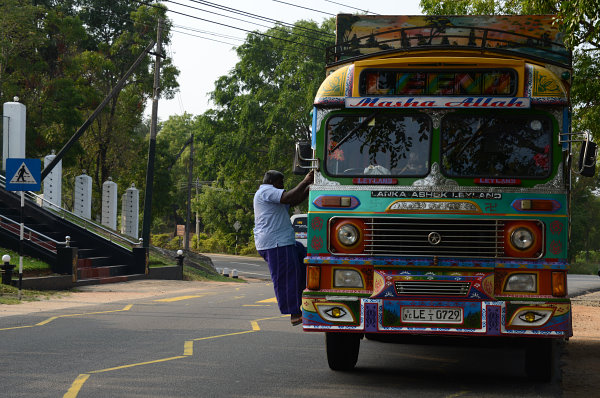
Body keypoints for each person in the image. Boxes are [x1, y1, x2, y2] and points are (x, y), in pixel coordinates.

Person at [253, 169, 314, 326]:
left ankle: (304, 296)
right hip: (276, 243)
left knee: (305, 259)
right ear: (273, 182)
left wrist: (309, 188)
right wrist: (305, 181)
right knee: (287, 276)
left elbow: (293, 200)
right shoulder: (267, 191)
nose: (283, 186)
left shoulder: (273, 195)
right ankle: (294, 313)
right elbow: (287, 196)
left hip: (284, 241)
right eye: (281, 182)